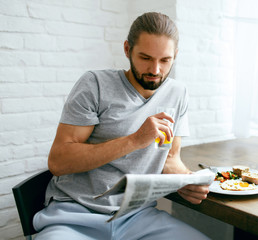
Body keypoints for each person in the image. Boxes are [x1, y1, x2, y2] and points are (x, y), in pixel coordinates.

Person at [33, 12, 210, 240]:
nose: (155, 70)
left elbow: (170, 159)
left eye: (165, 60)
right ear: (127, 50)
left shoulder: (178, 93)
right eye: (145, 58)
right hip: (75, 215)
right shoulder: (95, 84)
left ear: (175, 56)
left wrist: (188, 180)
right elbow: (58, 161)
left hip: (138, 218)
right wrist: (135, 140)